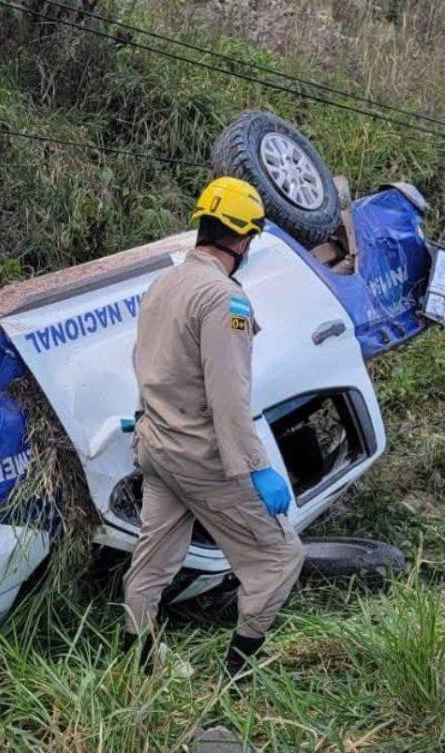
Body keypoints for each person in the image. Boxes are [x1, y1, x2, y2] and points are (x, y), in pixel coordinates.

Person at [121, 176, 306, 678]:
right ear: (244, 239)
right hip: (200, 457)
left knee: (153, 560)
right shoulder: (225, 299)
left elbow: (145, 363)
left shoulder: (163, 285)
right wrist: (257, 468)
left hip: (156, 446)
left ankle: (136, 667)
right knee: (281, 557)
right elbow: (229, 398)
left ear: (204, 225)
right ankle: (235, 678)